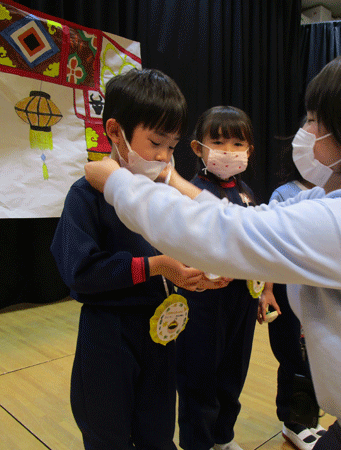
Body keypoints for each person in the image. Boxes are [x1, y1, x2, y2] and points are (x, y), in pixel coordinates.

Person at [84, 49, 341, 449]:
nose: (305, 131)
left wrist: (118, 182)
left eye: (315, 120)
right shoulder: (336, 201)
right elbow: (241, 218)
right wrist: (171, 180)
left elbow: (223, 233)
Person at [50, 68, 223, 450]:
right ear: (115, 131)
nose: (164, 157)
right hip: (109, 331)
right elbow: (80, 271)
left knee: (157, 431)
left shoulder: (163, 194)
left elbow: (201, 236)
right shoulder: (87, 194)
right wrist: (156, 266)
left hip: (161, 328)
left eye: (172, 146)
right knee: (107, 433)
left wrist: (200, 274)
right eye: (156, 142)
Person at [174, 106, 265, 450]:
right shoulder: (187, 190)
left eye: (237, 143)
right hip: (203, 299)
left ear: (249, 151)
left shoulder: (248, 193)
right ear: (198, 147)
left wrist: (265, 290)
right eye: (218, 142)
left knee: (233, 372)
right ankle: (198, 442)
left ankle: (223, 437)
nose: (228, 151)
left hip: (242, 298)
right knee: (199, 375)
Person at [258, 166, 326, 450]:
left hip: (317, 288)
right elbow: (271, 245)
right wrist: (268, 290)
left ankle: (309, 416)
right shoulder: (285, 194)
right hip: (286, 289)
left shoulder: (332, 190)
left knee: (315, 356)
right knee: (291, 356)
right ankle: (292, 421)